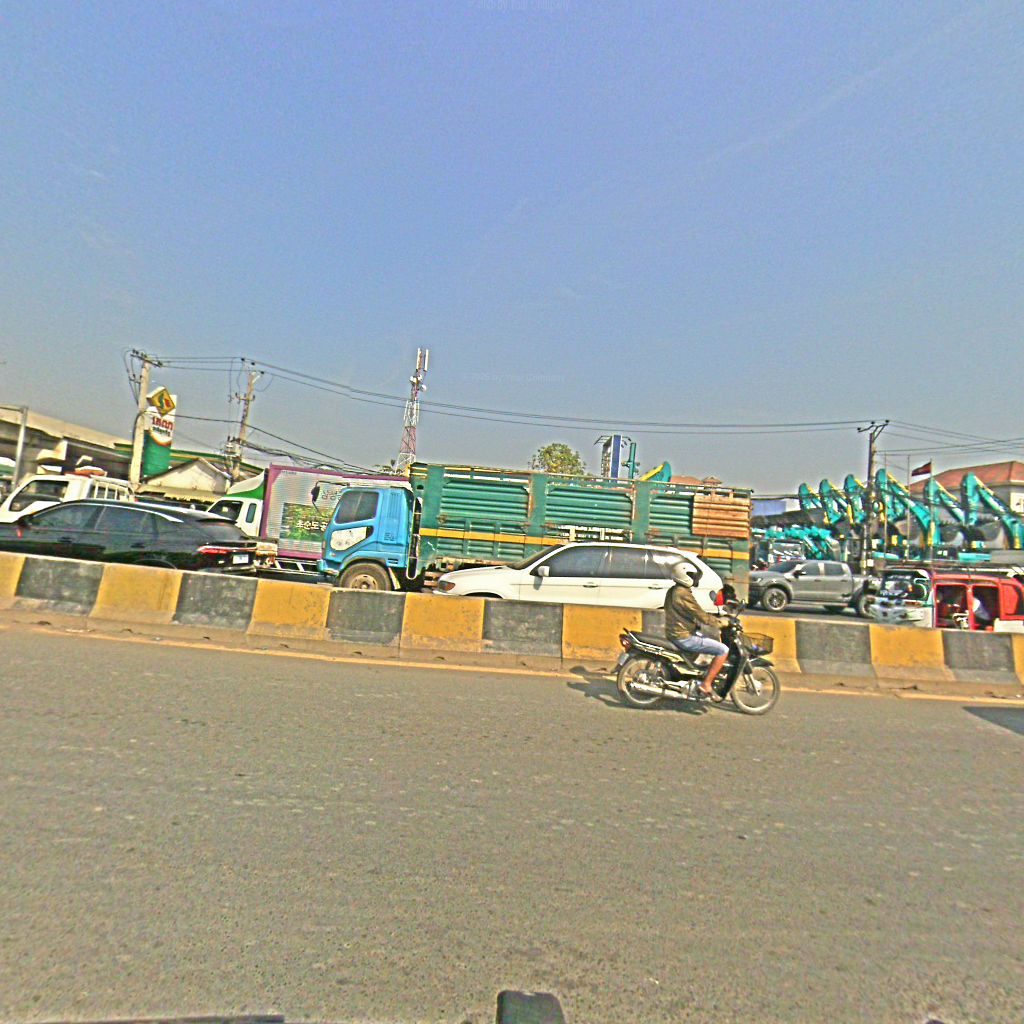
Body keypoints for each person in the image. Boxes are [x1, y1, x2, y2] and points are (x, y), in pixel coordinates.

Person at [664, 561, 729, 698]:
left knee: (704, 639)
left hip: (676, 631)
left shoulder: (674, 590)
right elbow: (700, 614)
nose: (694, 579)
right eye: (691, 575)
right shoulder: (682, 593)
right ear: (684, 576)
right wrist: (720, 622)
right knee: (722, 650)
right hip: (682, 636)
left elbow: (688, 613)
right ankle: (706, 684)